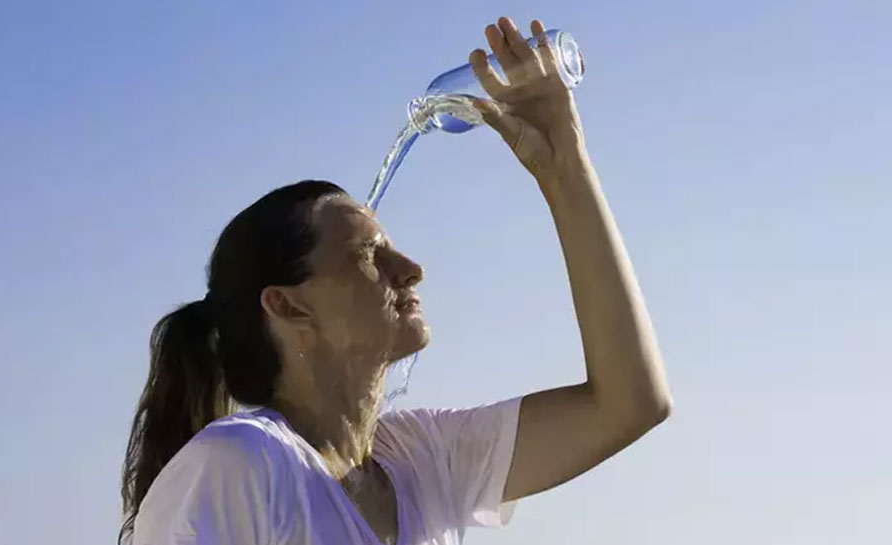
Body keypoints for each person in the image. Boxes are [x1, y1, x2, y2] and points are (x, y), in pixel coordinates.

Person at [119, 16, 672, 545]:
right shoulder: (241, 464)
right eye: (369, 255)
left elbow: (630, 404)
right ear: (288, 307)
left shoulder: (423, 459)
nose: (410, 269)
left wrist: (564, 165)